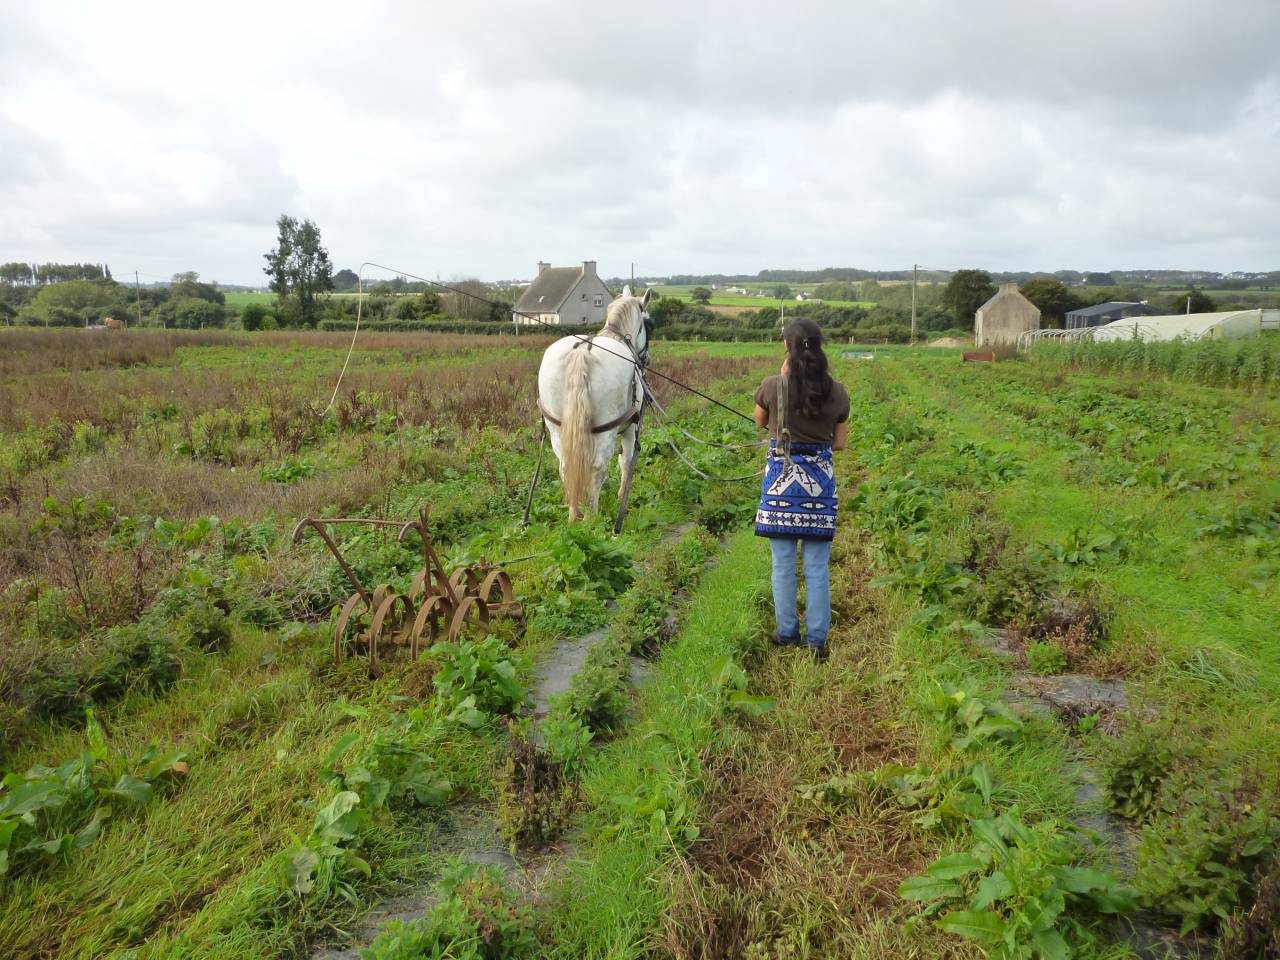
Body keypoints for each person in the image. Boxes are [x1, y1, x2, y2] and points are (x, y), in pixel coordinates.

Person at [752, 318, 850, 662]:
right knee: (817, 567)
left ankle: (787, 633)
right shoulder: (838, 392)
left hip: (781, 487)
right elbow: (839, 444)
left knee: (782, 565)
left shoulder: (771, 385)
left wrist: (781, 378)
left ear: (786, 347)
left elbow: (760, 422)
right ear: (820, 346)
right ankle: (817, 641)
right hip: (819, 490)